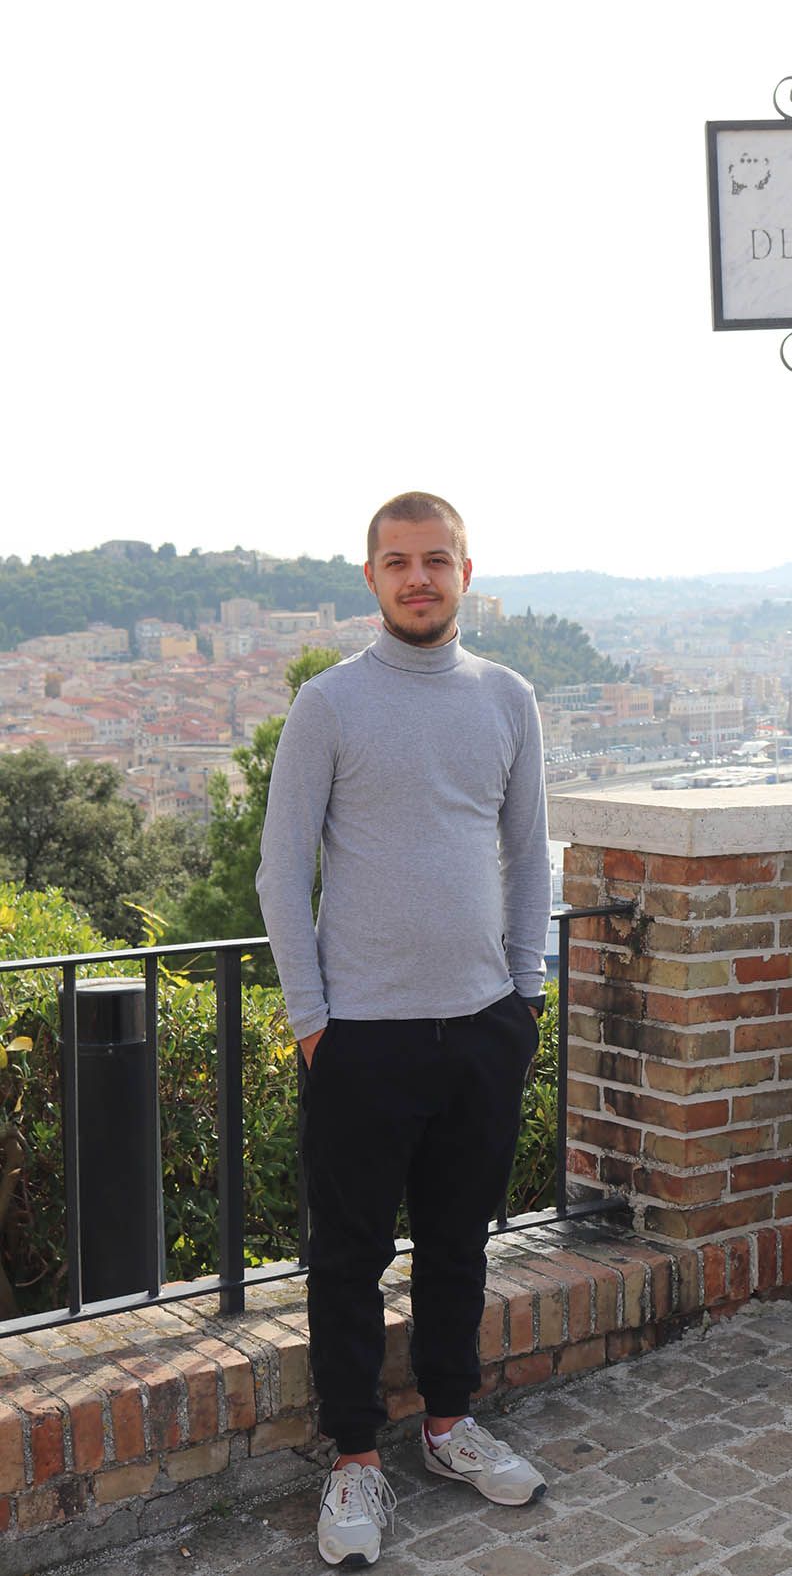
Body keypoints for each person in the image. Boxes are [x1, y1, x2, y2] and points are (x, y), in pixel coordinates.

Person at [257, 491, 552, 1567]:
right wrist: (312, 1023)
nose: (417, 577)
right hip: (361, 1038)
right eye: (397, 561)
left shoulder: (508, 697)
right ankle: (352, 1461)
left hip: (480, 1027)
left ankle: (447, 1424)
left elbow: (529, 853)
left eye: (435, 559)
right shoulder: (329, 704)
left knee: (459, 1245)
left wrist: (524, 996)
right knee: (346, 1258)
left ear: (466, 574)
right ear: (372, 577)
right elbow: (281, 870)